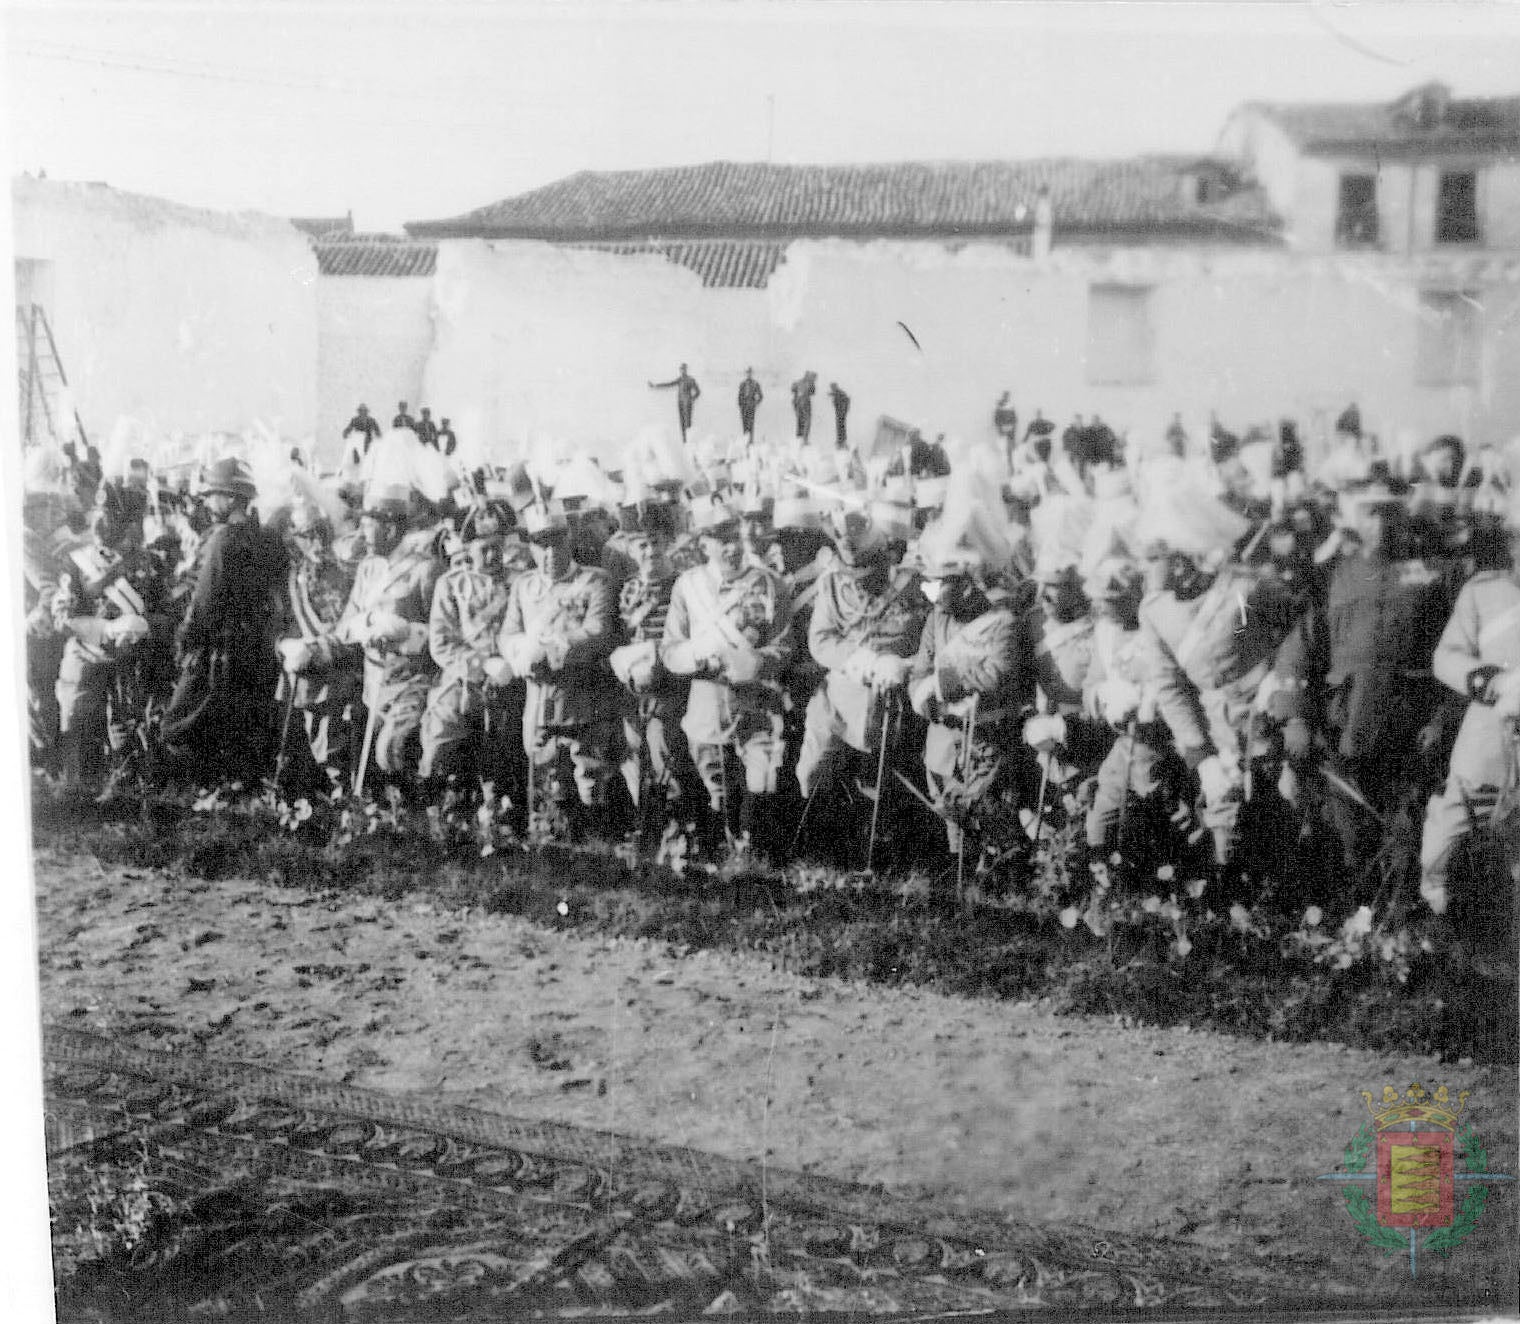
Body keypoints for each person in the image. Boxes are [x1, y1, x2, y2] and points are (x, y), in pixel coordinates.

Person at [1271, 480, 1452, 873]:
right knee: (1350, 828)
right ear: (1354, 517)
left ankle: (1399, 918)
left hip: (1410, 721)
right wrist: (1297, 718)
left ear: (1405, 517)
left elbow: (1452, 650)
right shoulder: (1331, 576)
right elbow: (1299, 646)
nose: (1381, 523)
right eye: (1371, 512)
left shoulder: (1432, 577)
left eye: (1390, 512)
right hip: (1346, 720)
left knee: (1410, 828)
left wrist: (1442, 718)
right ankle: (1360, 916)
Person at [662, 495, 795, 861]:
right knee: (717, 787)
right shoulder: (688, 587)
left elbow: (785, 647)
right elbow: (671, 650)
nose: (731, 548)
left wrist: (753, 663)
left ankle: (757, 857)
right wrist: (698, 656)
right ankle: (727, 855)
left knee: (761, 781)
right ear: (703, 544)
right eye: (720, 540)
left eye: (734, 536)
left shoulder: (769, 585)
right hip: (707, 703)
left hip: (757, 703)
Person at [795, 503, 926, 865]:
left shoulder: (913, 586)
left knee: (883, 781)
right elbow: (820, 640)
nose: (857, 578)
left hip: (892, 700)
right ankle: (824, 852)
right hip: (840, 697)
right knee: (816, 770)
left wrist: (901, 665)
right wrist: (862, 661)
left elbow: (934, 645)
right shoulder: (834, 584)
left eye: (866, 570)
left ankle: (883, 855)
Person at [492, 501, 621, 840]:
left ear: (569, 541)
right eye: (540, 544)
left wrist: (548, 649)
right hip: (538, 701)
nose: (548, 553)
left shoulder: (594, 582)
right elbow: (507, 633)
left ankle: (598, 854)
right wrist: (517, 649)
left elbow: (596, 633)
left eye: (556, 543)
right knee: (546, 776)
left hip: (583, 700)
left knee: (589, 780)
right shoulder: (524, 586)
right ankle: (553, 852)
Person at [1418, 507, 1520, 920]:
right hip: (1490, 724)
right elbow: (1446, 657)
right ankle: (1435, 901)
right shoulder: (1484, 592)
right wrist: (1480, 679)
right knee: (1455, 810)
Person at [159, 458, 288, 784]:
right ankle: (234, 791)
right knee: (240, 724)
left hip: (220, 649)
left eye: (212, 494)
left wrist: (186, 639)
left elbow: (205, 601)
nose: (206, 501)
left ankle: (199, 790)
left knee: (180, 723)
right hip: (258, 648)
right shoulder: (270, 539)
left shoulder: (223, 540)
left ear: (230, 498)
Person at [320, 484, 442, 790]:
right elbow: (345, 627)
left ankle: (422, 817)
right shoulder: (368, 569)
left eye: (367, 525)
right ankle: (387, 823)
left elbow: (442, 635)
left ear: (389, 527)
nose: (361, 533)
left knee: (391, 752)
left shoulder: (425, 570)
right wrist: (368, 623)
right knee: (363, 760)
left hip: (412, 684)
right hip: (372, 686)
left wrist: (403, 633)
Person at [648, 364, 701, 444]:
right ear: (680, 370)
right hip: (680, 404)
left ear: (686, 370)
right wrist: (655, 385)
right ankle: (685, 442)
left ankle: (690, 443)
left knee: (688, 424)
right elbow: (669, 384)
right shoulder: (679, 380)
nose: (682, 371)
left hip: (687, 404)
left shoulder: (691, 380)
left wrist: (692, 399)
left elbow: (698, 392)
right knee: (682, 424)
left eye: (684, 369)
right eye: (681, 369)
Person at [737, 368, 763, 444]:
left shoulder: (755, 384)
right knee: (744, 425)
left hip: (751, 407)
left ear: (752, 374)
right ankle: (745, 442)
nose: (749, 375)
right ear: (746, 374)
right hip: (744, 408)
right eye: (747, 373)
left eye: (750, 373)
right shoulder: (742, 384)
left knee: (750, 425)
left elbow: (761, 396)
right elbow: (739, 396)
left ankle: (751, 442)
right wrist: (740, 405)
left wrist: (755, 403)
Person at [791, 371, 817, 443]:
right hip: (805, 402)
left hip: (797, 402)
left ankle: (799, 436)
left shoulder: (798, 382)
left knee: (800, 419)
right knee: (807, 420)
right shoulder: (810, 382)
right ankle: (805, 439)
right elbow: (813, 392)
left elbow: (793, 389)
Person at [828, 382, 851, 448]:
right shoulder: (838, 392)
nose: (832, 389)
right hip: (840, 412)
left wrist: (844, 411)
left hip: (841, 412)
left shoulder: (840, 393)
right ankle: (840, 441)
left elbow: (846, 401)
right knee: (840, 427)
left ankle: (842, 441)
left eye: (832, 388)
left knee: (841, 427)